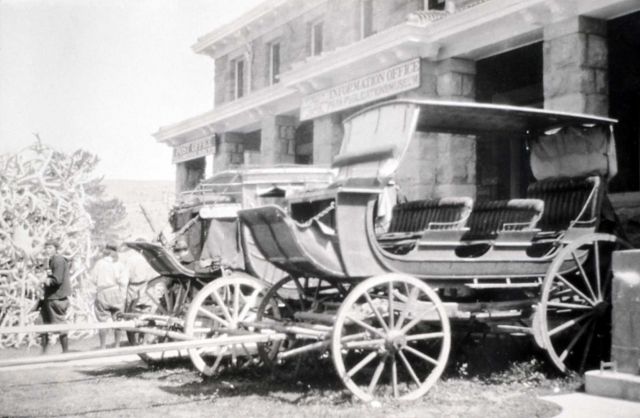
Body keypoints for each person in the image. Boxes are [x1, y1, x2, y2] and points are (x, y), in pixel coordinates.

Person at [91, 242, 128, 349]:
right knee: (118, 318)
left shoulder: (99, 264)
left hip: (103, 292)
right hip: (116, 291)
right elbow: (124, 281)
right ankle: (117, 345)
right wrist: (123, 296)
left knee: (103, 319)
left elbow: (93, 279)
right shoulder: (120, 264)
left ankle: (103, 346)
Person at [40, 239, 71, 354]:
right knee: (42, 324)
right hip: (50, 297)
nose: (47, 250)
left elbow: (57, 280)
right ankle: (43, 354)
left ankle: (65, 353)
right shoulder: (50, 260)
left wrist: (44, 280)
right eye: (46, 248)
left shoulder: (58, 260)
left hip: (57, 298)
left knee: (60, 326)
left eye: (50, 248)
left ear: (56, 249)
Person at [119, 240, 157, 311]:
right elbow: (153, 275)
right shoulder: (148, 259)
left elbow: (125, 278)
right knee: (144, 307)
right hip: (146, 286)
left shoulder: (130, 259)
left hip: (133, 288)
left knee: (129, 308)